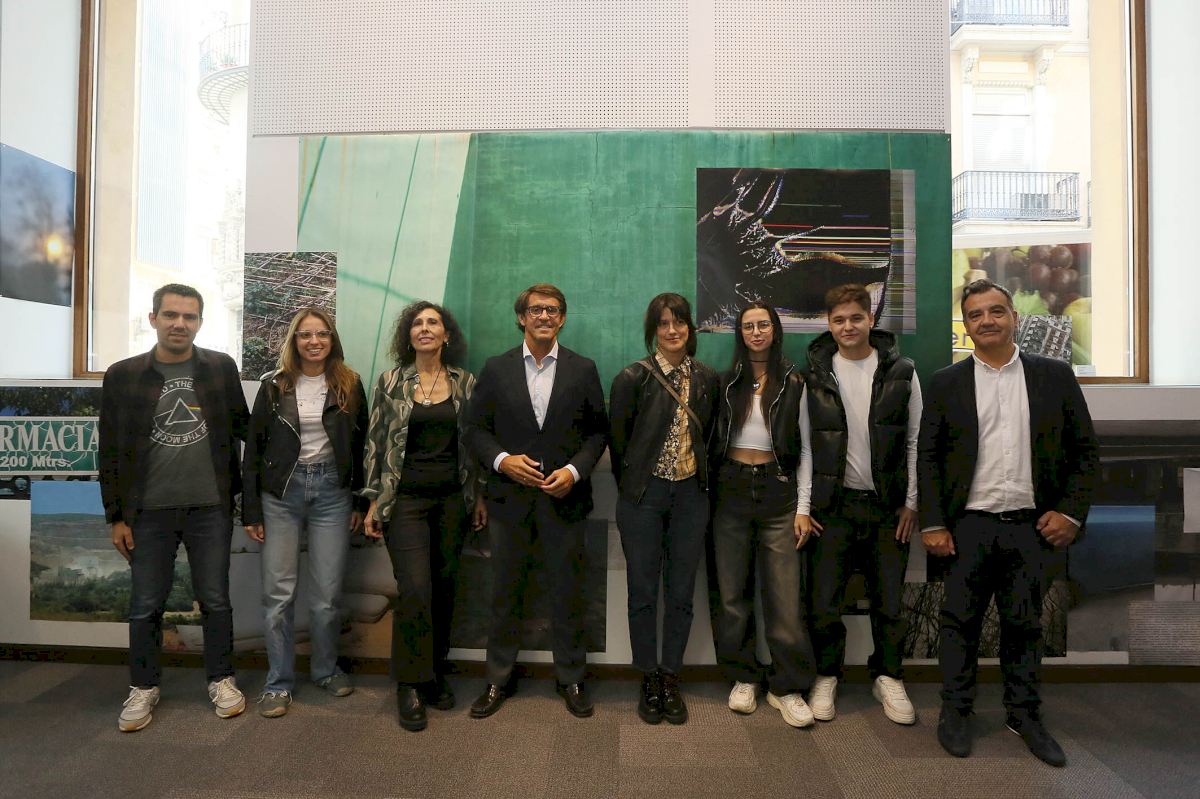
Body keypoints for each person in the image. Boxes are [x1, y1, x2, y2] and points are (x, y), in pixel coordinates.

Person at [919, 278, 1098, 767]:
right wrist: (932, 522)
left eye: (996, 311)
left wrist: (1070, 513)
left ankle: (1024, 715)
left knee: (1025, 625)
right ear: (966, 324)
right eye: (975, 315)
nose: (987, 321)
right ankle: (957, 711)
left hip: (1031, 527)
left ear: (1014, 317)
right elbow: (928, 459)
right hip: (967, 528)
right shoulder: (946, 382)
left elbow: (1084, 452)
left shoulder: (1054, 376)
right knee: (959, 624)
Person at [99, 283, 249, 732]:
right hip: (148, 513)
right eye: (170, 315)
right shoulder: (123, 375)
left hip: (210, 509)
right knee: (145, 605)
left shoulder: (220, 367)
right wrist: (115, 517)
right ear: (153, 319)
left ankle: (221, 679)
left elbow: (245, 430)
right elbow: (109, 451)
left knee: (216, 601)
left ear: (200, 322)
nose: (179, 323)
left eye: (189, 316)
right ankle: (143, 686)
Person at [464, 283, 608, 719]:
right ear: (521, 317)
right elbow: (474, 430)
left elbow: (597, 433)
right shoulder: (496, 368)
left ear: (562, 319)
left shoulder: (583, 369)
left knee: (567, 592)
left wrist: (575, 471)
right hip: (509, 502)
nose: (544, 316)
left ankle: (572, 677)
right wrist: (503, 461)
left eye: (553, 310)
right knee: (505, 593)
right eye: (536, 309)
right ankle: (497, 679)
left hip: (565, 501)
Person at [797, 284, 922, 725]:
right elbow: (807, 447)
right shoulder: (814, 376)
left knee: (889, 602)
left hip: (888, 509)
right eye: (838, 320)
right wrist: (804, 507)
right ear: (828, 325)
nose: (847, 327)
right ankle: (827, 675)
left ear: (871, 318)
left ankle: (888, 675)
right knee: (823, 602)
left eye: (855, 318)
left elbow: (915, 441)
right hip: (832, 509)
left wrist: (911, 502)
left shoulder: (903, 372)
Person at [361, 301, 486, 732]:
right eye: (417, 323)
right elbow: (375, 443)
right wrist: (374, 500)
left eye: (434, 322)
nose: (425, 328)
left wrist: (479, 496)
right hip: (405, 502)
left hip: (453, 501)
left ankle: (433, 675)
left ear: (446, 335)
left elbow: (475, 444)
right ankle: (410, 684)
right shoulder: (391, 381)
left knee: (445, 589)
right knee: (415, 589)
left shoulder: (465, 382)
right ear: (408, 335)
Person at [242, 307, 368, 718]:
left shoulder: (350, 384)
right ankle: (278, 683)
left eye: (322, 334)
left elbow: (362, 447)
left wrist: (360, 500)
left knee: (327, 596)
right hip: (281, 494)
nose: (314, 341)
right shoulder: (274, 386)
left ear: (332, 339)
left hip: (333, 493)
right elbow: (254, 450)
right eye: (305, 335)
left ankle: (325, 670)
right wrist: (251, 511)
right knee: (278, 595)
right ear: (294, 341)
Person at [609, 293, 720, 725]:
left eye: (679, 322)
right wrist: (637, 490)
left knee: (681, 593)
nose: (672, 331)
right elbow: (619, 446)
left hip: (691, 497)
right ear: (653, 330)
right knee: (642, 593)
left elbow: (712, 438)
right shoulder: (632, 378)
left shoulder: (707, 379)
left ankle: (671, 675)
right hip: (644, 498)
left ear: (690, 328)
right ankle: (648, 677)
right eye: (663, 323)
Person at [709, 302, 817, 728]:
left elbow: (806, 448)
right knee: (732, 597)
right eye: (748, 326)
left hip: (778, 492)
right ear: (740, 333)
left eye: (763, 325)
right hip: (731, 490)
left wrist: (803, 508)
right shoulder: (726, 382)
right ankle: (744, 677)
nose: (756, 332)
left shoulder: (794, 381)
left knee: (785, 600)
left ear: (775, 330)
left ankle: (786, 687)